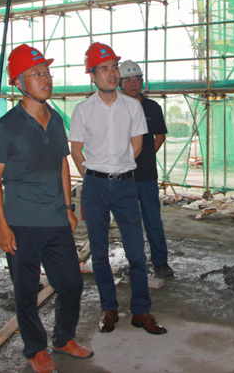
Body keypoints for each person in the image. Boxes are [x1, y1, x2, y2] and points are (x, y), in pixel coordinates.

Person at [0, 44, 92, 373]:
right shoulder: (5, 126)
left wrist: (68, 206)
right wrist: (2, 227)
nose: (45, 79)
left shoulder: (56, 120)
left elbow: (62, 164)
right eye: (36, 74)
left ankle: (63, 338)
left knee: (71, 282)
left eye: (47, 72)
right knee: (26, 291)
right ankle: (35, 349)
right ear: (18, 82)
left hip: (55, 217)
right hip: (22, 222)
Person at [70, 42, 167, 336]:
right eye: (104, 69)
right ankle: (109, 308)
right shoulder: (83, 110)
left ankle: (141, 311)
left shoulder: (132, 106)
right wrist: (93, 174)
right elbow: (76, 150)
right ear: (92, 75)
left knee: (136, 250)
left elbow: (137, 145)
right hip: (95, 187)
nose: (112, 73)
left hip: (126, 185)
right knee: (99, 251)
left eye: (114, 67)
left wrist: (119, 166)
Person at [119, 60, 173, 278]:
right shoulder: (115, 108)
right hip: (123, 176)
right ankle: (136, 263)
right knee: (129, 222)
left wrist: (147, 154)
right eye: (128, 80)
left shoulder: (152, 107)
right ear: (121, 83)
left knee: (153, 220)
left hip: (147, 175)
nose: (133, 83)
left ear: (142, 82)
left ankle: (161, 262)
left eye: (137, 79)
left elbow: (160, 135)